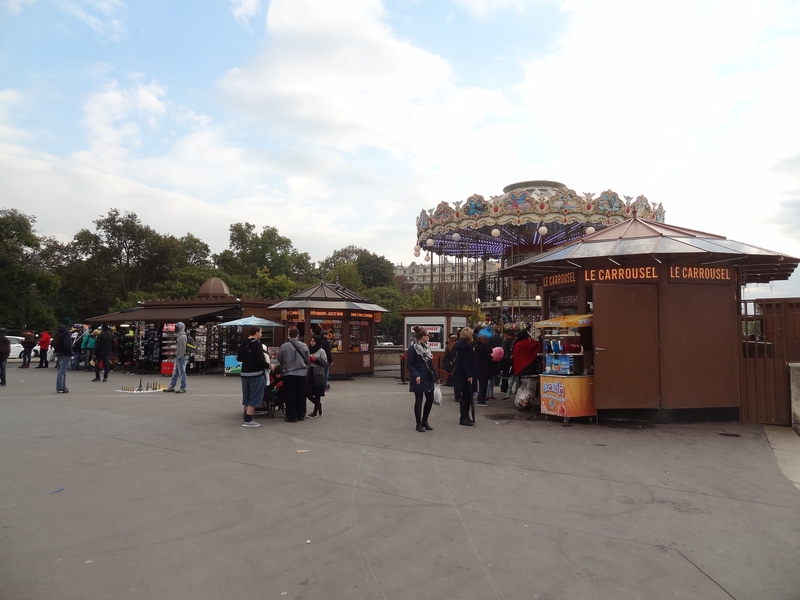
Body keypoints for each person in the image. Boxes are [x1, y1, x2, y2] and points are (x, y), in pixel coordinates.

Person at [407, 326, 439, 432]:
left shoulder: (427, 347)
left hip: (427, 376)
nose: (429, 336)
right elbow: (410, 364)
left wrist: (436, 376)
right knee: (419, 400)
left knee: (430, 399)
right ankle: (418, 423)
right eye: (427, 334)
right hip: (418, 377)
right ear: (421, 336)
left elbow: (430, 363)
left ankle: (425, 420)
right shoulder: (413, 348)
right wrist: (416, 375)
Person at [237, 325, 270, 428]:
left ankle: (247, 416)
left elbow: (239, 358)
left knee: (247, 396)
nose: (261, 334)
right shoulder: (257, 345)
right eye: (260, 332)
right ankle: (248, 419)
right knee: (255, 397)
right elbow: (260, 360)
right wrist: (269, 366)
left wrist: (248, 360)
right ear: (256, 333)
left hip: (244, 374)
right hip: (256, 374)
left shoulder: (243, 344)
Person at [277, 327, 309, 422]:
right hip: (301, 373)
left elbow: (279, 359)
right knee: (301, 394)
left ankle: (291, 415)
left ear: (289, 335)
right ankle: (301, 414)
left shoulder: (284, 346)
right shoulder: (304, 346)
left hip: (288, 373)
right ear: (298, 335)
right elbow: (307, 359)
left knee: (290, 395)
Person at [452, 327, 477, 426]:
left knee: (467, 395)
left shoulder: (462, 346)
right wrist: (469, 375)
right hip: (466, 374)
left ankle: (466, 415)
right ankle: (463, 416)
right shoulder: (466, 348)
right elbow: (465, 363)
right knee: (466, 396)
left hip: (464, 373)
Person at [163, 322, 188, 393]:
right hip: (179, 356)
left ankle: (183, 387)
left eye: (176, 327)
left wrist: (180, 356)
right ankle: (171, 386)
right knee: (175, 372)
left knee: (182, 372)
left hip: (181, 357)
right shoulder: (180, 336)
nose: (175, 328)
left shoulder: (182, 336)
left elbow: (182, 348)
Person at [307, 334, 328, 418]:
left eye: (314, 341)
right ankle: (318, 404)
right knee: (307, 392)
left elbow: (324, 363)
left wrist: (315, 360)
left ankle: (315, 411)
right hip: (309, 373)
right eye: (311, 341)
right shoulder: (308, 350)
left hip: (318, 374)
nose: (312, 343)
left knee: (317, 393)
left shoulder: (321, 351)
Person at [52, 318, 73, 393]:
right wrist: (70, 352)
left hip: (59, 352)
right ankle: (60, 387)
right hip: (65, 353)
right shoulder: (67, 332)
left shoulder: (59, 331)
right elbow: (67, 344)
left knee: (62, 370)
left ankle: (63, 387)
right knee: (62, 371)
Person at [474, 331, 493, 407]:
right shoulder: (480, 347)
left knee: (483, 385)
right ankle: (480, 400)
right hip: (482, 369)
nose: (486, 341)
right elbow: (489, 350)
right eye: (485, 340)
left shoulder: (479, 346)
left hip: (483, 368)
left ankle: (482, 399)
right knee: (483, 385)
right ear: (481, 340)